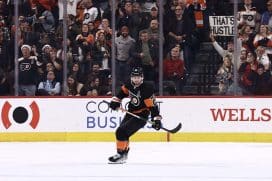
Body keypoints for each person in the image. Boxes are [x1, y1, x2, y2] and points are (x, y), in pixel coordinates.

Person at [108, 67, 162, 164]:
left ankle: (121, 154)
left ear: (142, 78)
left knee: (121, 131)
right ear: (131, 77)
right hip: (131, 112)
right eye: (134, 77)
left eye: (138, 77)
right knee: (122, 133)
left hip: (142, 115)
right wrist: (115, 102)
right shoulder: (129, 85)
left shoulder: (147, 89)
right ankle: (123, 154)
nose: (136, 79)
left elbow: (152, 107)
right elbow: (120, 94)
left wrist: (157, 119)